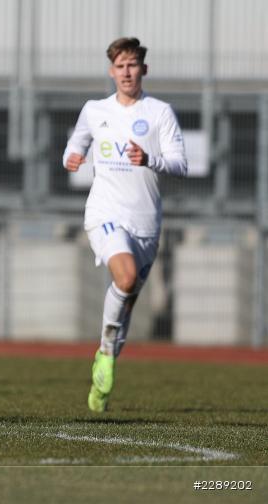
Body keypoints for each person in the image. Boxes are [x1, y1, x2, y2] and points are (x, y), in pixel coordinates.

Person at [63, 37, 187, 412]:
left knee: (127, 297)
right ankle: (105, 351)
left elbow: (180, 164)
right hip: (105, 213)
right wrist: (72, 157)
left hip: (146, 222)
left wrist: (150, 159)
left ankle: (107, 361)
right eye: (120, 66)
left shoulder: (160, 113)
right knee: (127, 277)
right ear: (111, 70)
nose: (127, 72)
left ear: (143, 69)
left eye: (133, 64)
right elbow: (75, 146)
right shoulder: (94, 110)